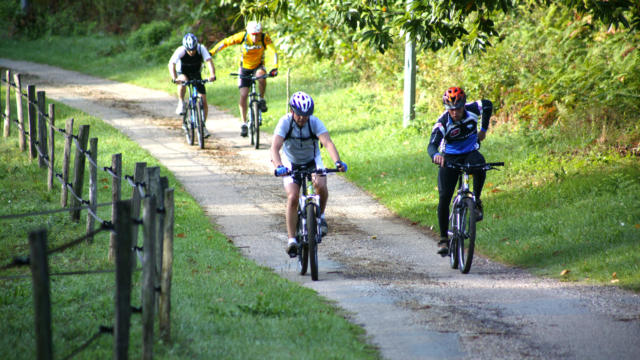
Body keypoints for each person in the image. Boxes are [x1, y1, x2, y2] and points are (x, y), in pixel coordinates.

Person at [270, 91, 347, 257]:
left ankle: (321, 216)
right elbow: (275, 148)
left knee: (321, 185)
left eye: (306, 115)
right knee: (293, 197)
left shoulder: (314, 123)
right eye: (299, 115)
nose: (302, 118)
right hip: (291, 162)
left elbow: (327, 142)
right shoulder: (285, 122)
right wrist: (279, 166)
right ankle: (292, 240)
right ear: (292, 111)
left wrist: (338, 162)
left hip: (312, 160)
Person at [427, 87, 493, 256]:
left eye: (457, 108)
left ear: (464, 105)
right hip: (450, 157)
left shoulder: (472, 109)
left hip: (470, 153)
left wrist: (483, 130)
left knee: (480, 165)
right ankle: (443, 239)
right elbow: (432, 145)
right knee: (444, 197)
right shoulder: (443, 122)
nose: (454, 113)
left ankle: (476, 201)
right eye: (451, 109)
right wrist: (435, 156)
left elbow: (487, 105)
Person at [210, 21, 278, 137]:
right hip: (244, 68)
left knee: (261, 77)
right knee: (244, 94)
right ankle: (244, 123)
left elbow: (274, 51)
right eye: (253, 34)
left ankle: (261, 99)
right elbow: (225, 43)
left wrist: (275, 67)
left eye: (257, 34)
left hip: (258, 66)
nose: (255, 36)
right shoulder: (242, 37)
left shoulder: (264, 38)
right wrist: (212, 52)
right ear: (248, 32)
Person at [168, 33, 216, 137]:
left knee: (203, 100)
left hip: (196, 74)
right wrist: (174, 78)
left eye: (193, 49)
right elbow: (171, 63)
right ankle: (181, 102)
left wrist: (212, 74)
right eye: (189, 50)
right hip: (183, 73)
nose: (192, 52)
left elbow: (209, 61)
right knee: (183, 80)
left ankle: (202, 125)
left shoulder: (201, 48)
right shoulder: (180, 50)